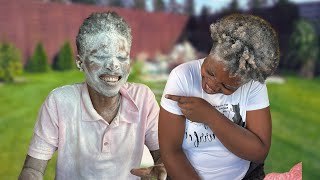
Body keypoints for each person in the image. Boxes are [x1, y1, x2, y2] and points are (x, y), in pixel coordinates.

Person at [19, 11, 166, 180]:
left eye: (121, 57)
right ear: (80, 63)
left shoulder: (142, 98)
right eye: (101, 56)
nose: (113, 65)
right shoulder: (59, 102)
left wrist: (164, 168)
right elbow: (33, 169)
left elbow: (163, 156)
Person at [159, 14, 280, 180]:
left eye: (227, 86)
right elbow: (170, 151)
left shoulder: (253, 85)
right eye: (210, 72)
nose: (212, 85)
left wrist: (210, 116)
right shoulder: (182, 77)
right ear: (210, 53)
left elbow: (259, 152)